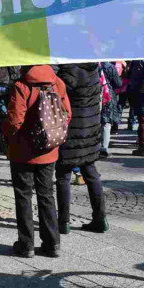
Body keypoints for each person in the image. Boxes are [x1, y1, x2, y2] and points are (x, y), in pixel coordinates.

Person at [3, 65, 71, 258]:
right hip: (49, 150)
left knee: (23, 196)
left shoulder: (21, 86)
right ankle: (52, 243)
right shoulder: (57, 82)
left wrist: (7, 135)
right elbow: (67, 113)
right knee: (47, 195)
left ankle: (26, 245)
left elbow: (14, 121)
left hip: (22, 151)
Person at [54, 63, 107, 234]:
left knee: (63, 175)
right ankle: (100, 218)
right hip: (90, 128)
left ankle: (63, 222)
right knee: (91, 173)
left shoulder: (68, 70)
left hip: (71, 130)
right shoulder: (94, 68)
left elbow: (58, 94)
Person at [99, 61, 122, 159]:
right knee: (106, 122)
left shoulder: (91, 64)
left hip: (92, 95)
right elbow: (118, 83)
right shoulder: (109, 66)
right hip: (107, 95)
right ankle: (103, 148)